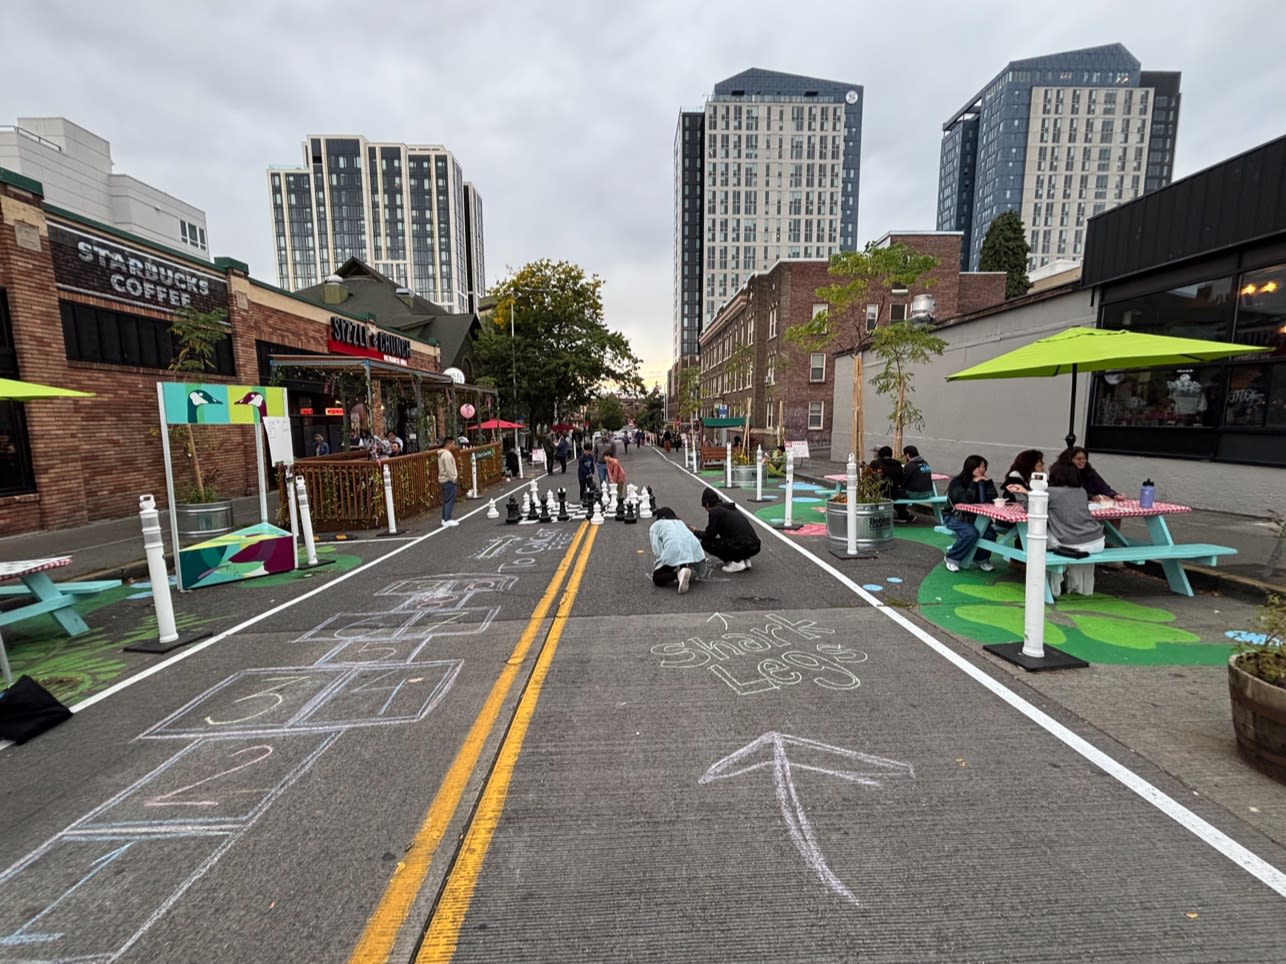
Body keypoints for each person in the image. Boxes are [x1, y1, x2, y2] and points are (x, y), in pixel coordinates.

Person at [1046, 460, 1106, 598]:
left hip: (1071, 543)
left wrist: (1021, 493)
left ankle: (1051, 584)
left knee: (1041, 536)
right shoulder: (1081, 491)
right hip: (1097, 541)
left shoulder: (1051, 492)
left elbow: (1031, 508)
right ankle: (1077, 584)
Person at [943, 454, 999, 573]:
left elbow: (993, 498)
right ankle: (952, 558)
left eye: (984, 467)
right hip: (955, 516)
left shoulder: (984, 481)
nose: (982, 470)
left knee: (990, 534)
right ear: (970, 467)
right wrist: (973, 483)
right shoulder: (957, 482)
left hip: (976, 517)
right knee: (971, 533)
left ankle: (981, 559)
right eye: (979, 467)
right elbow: (965, 500)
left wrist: (988, 483)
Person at [692, 489, 761, 573]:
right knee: (732, 538)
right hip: (755, 545)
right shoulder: (730, 508)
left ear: (707, 504)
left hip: (743, 546)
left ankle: (737, 562)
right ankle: (744, 558)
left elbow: (709, 535)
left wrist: (695, 531)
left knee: (706, 543)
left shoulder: (715, 511)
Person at [649, 506, 708, 594]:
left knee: (657, 578)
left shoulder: (656, 525)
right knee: (681, 553)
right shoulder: (680, 522)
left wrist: (661, 563)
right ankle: (684, 568)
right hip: (695, 549)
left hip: (675, 549)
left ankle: (678, 574)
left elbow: (657, 550)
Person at [871, 445, 912, 522]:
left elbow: (872, 478)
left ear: (880, 455)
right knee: (899, 492)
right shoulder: (897, 464)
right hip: (895, 492)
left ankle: (876, 514)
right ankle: (903, 514)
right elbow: (901, 480)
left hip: (880, 492)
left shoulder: (876, 463)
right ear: (891, 454)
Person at [437, 436, 459, 527]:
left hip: (444, 480)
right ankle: (447, 519)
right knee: (450, 500)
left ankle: (444, 518)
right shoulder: (447, 455)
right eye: (453, 444)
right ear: (449, 444)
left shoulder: (442, 454)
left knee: (446, 500)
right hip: (448, 480)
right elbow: (449, 469)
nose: (454, 446)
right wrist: (453, 479)